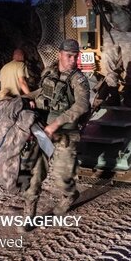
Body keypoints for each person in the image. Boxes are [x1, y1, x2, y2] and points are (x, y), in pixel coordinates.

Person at [19, 39, 90, 230]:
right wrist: (26, 98)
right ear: (60, 55)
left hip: (65, 134)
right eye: (69, 56)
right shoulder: (48, 72)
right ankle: (28, 215)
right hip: (43, 131)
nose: (73, 60)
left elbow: (83, 105)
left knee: (62, 178)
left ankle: (70, 195)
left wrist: (56, 124)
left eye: (76, 56)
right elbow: (42, 92)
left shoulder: (78, 79)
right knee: (33, 174)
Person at [84, 0, 131, 106]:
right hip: (111, 33)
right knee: (106, 62)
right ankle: (114, 93)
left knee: (130, 64)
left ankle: (128, 92)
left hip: (128, 33)